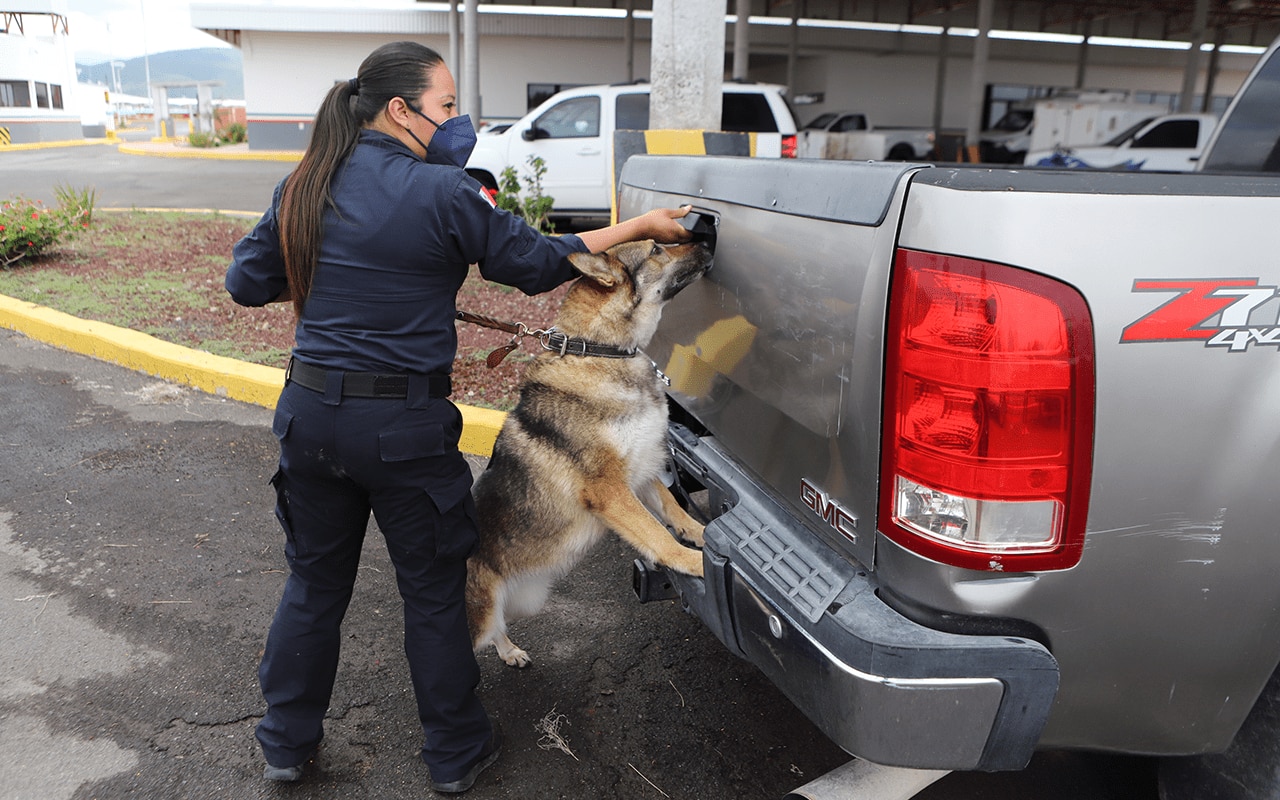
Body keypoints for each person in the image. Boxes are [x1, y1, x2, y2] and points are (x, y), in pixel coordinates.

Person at [225, 40, 692, 794]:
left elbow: (246, 283)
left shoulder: (302, 184)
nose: (457, 121)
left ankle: (284, 743)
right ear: (399, 109)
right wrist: (637, 229)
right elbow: (540, 261)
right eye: (445, 106)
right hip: (401, 429)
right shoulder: (442, 194)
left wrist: (342, 286)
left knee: (313, 587)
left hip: (310, 417)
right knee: (433, 590)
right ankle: (453, 753)